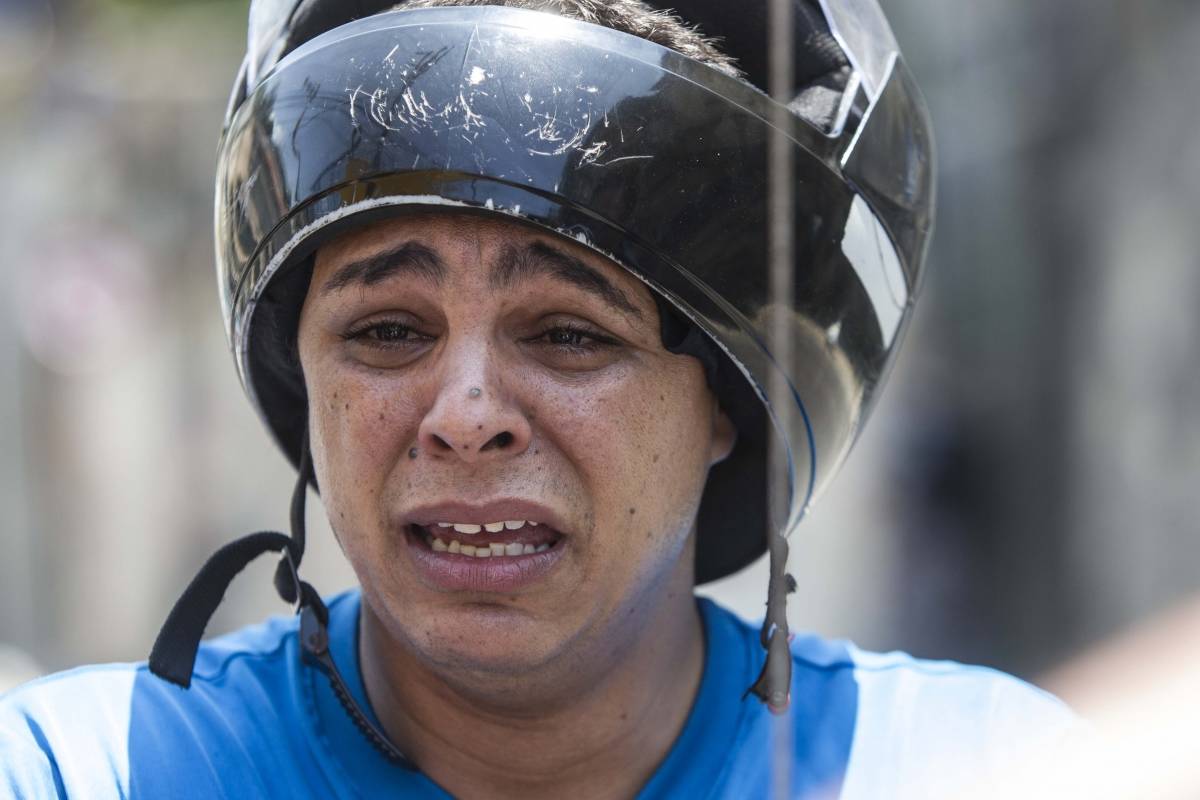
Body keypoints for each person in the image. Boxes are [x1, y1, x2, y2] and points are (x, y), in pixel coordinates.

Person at [0, 1, 1082, 798]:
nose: (466, 412)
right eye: (388, 331)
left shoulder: (975, 770)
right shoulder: (89, 771)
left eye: (569, 334)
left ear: (726, 405)